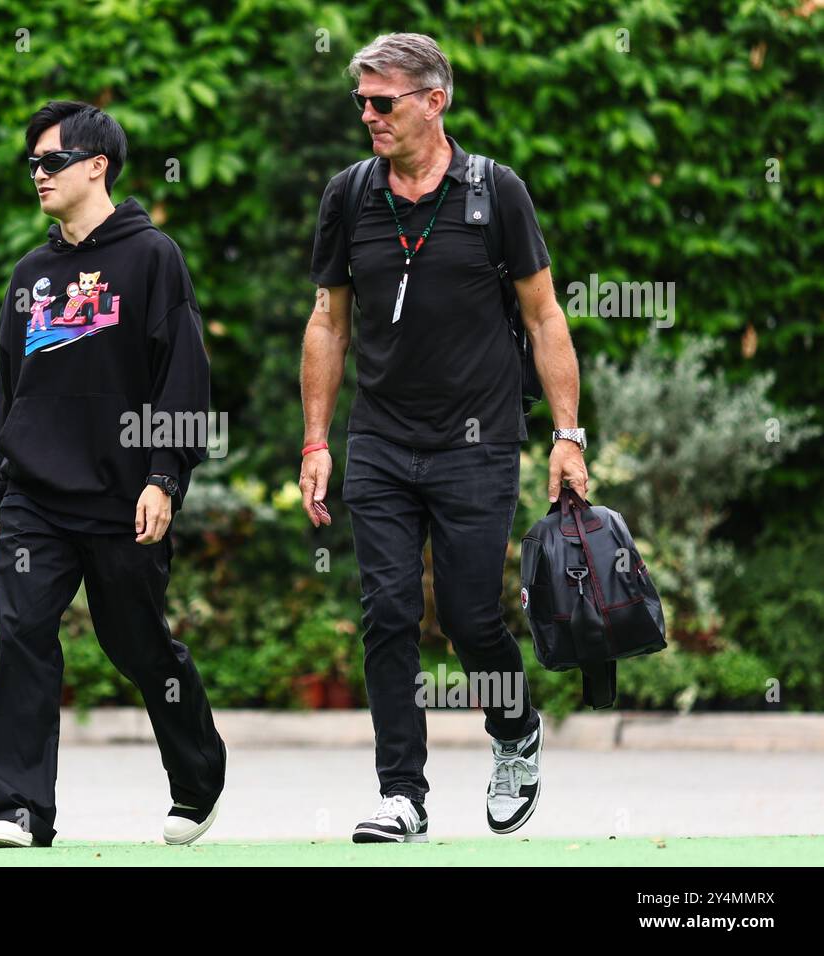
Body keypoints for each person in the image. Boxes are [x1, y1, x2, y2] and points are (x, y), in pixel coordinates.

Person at [299, 33, 590, 843]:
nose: (368, 115)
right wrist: (316, 441)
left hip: (477, 440)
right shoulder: (349, 195)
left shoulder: (496, 192)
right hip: (381, 441)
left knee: (467, 617)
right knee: (387, 611)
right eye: (360, 101)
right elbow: (328, 321)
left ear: (435, 100)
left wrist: (568, 436)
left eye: (382, 101)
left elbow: (544, 317)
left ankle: (514, 731)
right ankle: (402, 794)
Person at [0, 100, 227, 848]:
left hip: (124, 497)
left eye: (52, 161)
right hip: (35, 498)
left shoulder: (152, 257)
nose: (38, 174)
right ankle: (18, 809)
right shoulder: (31, 274)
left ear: (98, 166)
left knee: (136, 644)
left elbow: (183, 375)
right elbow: (9, 389)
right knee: (22, 634)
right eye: (32, 163)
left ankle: (199, 777)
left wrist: (164, 477)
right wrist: (2, 492)